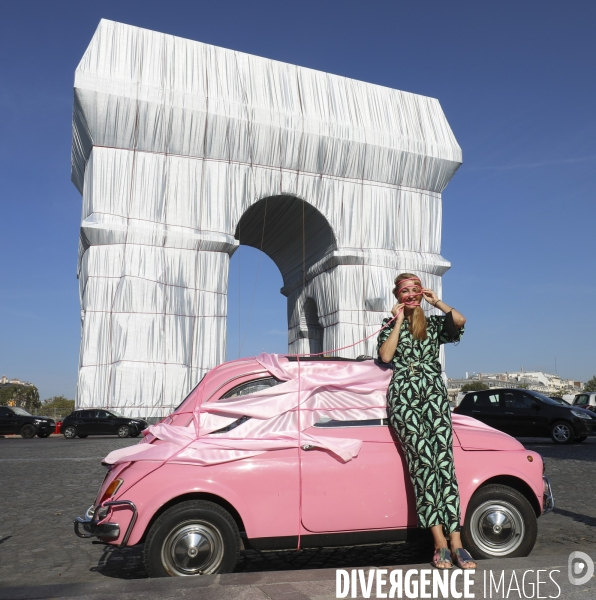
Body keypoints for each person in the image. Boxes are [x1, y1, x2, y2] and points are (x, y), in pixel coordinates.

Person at [377, 272, 476, 570]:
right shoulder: (389, 325)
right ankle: (439, 542)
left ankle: (457, 540)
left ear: (421, 293)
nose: (410, 294)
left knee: (444, 464)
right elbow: (385, 356)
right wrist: (395, 322)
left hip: (434, 395)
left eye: (415, 290)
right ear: (397, 296)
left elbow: (459, 321)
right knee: (423, 465)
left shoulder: (432, 324)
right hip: (405, 398)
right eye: (405, 291)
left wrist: (438, 302)